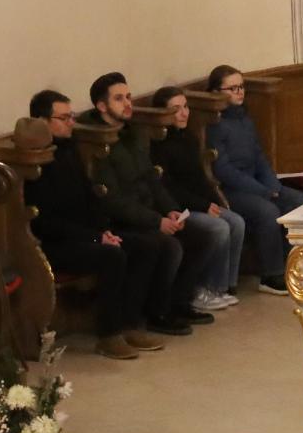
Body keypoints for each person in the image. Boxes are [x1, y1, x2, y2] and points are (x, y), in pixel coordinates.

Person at [24, 89, 177, 356]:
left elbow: (91, 198)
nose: (72, 122)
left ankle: (130, 323)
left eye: (71, 116)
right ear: (43, 121)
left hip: (85, 235)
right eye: (64, 117)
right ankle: (109, 334)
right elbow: (47, 222)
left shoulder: (69, 150)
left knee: (149, 245)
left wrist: (104, 230)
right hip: (54, 244)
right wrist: (96, 238)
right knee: (112, 257)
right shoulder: (33, 164)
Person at [78, 72, 222, 322]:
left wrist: (171, 210)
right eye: (119, 99)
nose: (128, 104)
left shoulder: (132, 133)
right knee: (166, 245)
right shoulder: (96, 142)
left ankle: (179, 302)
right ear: (101, 106)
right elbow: (113, 200)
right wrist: (156, 221)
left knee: (201, 236)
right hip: (122, 221)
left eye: (129, 97)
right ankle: (156, 313)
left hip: (149, 213)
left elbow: (151, 180)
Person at [205, 65, 303, 295]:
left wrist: (273, 185)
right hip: (232, 191)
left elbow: (259, 157)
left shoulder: (245, 119)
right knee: (267, 211)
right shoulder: (214, 126)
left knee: (298, 202)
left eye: (241, 87)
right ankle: (271, 274)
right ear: (216, 92)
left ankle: (295, 265)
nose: (239, 92)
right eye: (232, 88)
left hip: (257, 184)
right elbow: (224, 170)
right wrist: (262, 191)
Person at [149, 86, 247, 307]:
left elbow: (201, 178)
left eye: (185, 107)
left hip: (199, 203)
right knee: (218, 228)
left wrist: (216, 200)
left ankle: (224, 286)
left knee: (236, 221)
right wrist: (203, 205)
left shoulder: (189, 138)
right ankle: (204, 289)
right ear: (163, 113)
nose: (184, 113)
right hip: (178, 209)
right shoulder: (158, 147)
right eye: (176, 109)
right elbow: (169, 188)